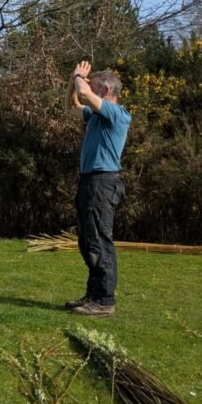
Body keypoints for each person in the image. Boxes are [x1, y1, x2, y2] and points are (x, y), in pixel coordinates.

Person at [63, 61, 131, 317]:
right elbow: (71, 106)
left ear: (104, 90)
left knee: (99, 241)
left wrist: (80, 76)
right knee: (87, 241)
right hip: (90, 182)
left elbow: (83, 94)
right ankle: (93, 295)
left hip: (103, 183)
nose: (85, 87)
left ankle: (104, 301)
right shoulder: (95, 116)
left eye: (92, 85)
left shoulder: (117, 114)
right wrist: (73, 80)